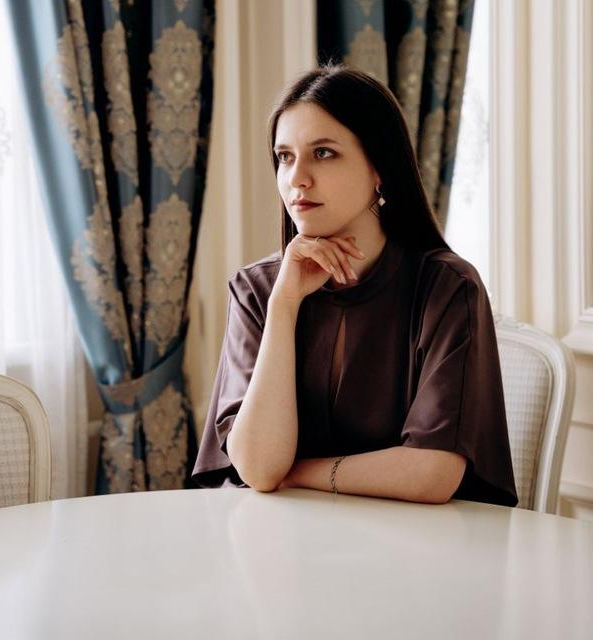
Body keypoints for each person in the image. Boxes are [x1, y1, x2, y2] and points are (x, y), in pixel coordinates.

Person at [192, 62, 518, 507]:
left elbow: (433, 473)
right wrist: (284, 305)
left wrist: (296, 473)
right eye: (285, 157)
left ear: (380, 168)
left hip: (414, 542)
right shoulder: (258, 290)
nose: (297, 178)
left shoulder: (447, 288)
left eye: (323, 153)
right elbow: (259, 468)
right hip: (276, 540)